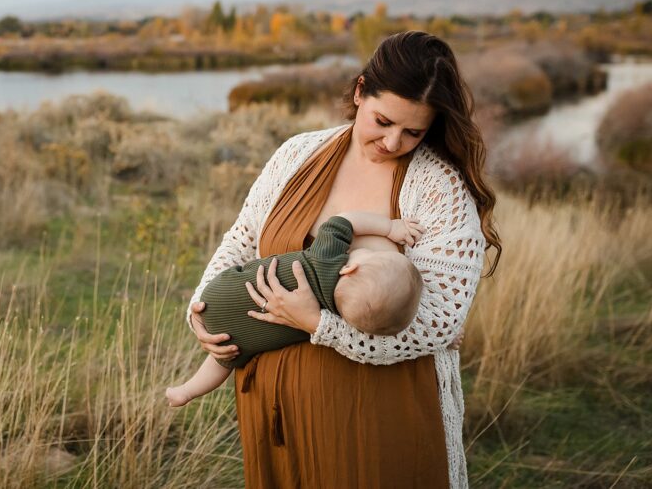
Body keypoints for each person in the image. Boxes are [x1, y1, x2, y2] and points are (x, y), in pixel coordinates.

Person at [187, 31, 501, 488]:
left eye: (413, 131)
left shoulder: (439, 189)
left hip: (378, 416)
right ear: (359, 92)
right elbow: (242, 238)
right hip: (277, 412)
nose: (393, 141)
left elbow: (441, 322)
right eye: (382, 120)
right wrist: (201, 309)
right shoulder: (298, 154)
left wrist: (321, 325)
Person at [167, 211, 424, 407]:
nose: (363, 251)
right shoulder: (333, 319)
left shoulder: (328, 256)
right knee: (224, 360)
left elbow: (343, 220)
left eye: (368, 253)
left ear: (350, 268)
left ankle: (187, 388)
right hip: (236, 340)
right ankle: (188, 390)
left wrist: (390, 227)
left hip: (222, 291)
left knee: (224, 347)